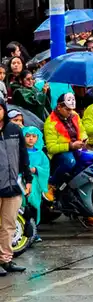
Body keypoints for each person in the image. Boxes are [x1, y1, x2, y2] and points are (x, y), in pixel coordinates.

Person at [0, 101, 32, 276]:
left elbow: (23, 155)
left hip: (13, 185)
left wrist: (28, 178)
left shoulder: (14, 130)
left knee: (9, 225)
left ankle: (6, 259)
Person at [43, 92, 88, 176]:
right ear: (59, 107)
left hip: (77, 146)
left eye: (72, 109)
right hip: (60, 153)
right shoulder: (50, 123)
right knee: (70, 162)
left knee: (90, 160)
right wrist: (71, 146)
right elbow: (51, 148)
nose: (70, 112)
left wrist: (84, 138)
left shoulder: (75, 115)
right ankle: (53, 183)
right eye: (67, 109)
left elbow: (82, 130)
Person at [20, 125, 48, 246]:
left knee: (34, 206)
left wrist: (36, 169)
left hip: (35, 184)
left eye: (34, 136)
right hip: (22, 182)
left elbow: (46, 169)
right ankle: (22, 230)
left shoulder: (41, 154)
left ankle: (34, 230)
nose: (31, 139)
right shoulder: (19, 152)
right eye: (27, 136)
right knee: (22, 205)